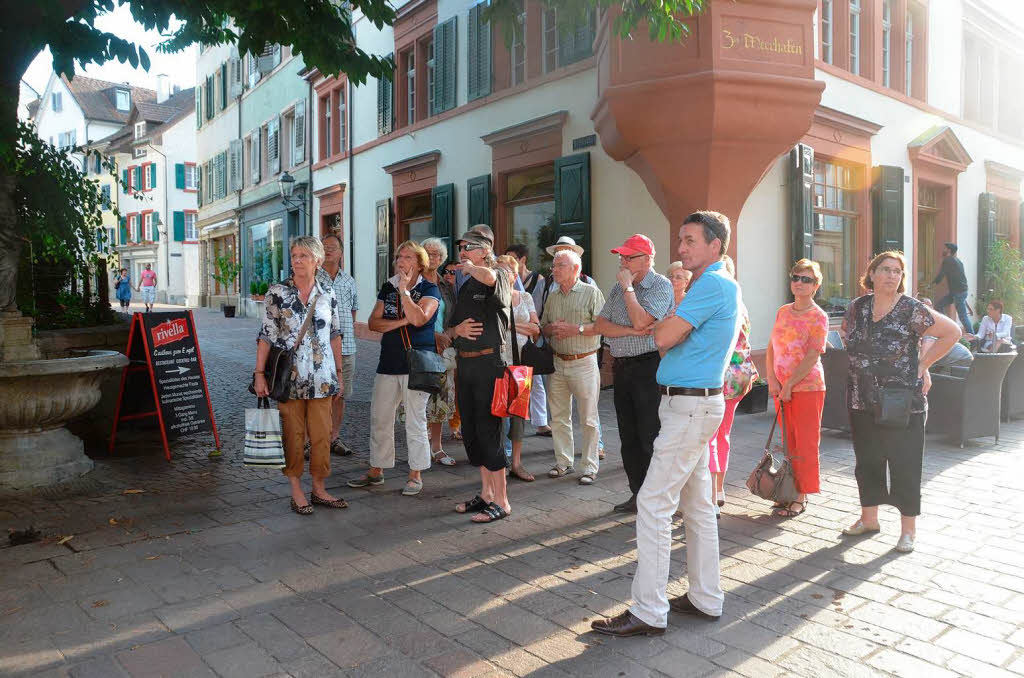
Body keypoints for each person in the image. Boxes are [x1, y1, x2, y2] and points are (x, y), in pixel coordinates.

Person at [592, 211, 738, 637]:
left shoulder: (711, 283)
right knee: (697, 507)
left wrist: (669, 326)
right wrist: (669, 325)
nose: (682, 248)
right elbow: (666, 329)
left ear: (715, 245)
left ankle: (648, 610)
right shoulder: (715, 283)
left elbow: (660, 337)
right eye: (681, 240)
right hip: (695, 405)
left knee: (653, 505)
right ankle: (705, 597)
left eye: (690, 240)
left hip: (689, 409)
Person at [841, 251, 960, 554]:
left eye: (897, 271)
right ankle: (869, 519)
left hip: (901, 400)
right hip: (861, 398)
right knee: (867, 462)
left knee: (905, 464)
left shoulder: (911, 309)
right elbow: (848, 339)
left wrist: (923, 365)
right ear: (871, 274)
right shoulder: (857, 307)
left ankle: (908, 531)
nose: (892, 276)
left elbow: (951, 332)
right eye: (885, 269)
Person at [254, 236, 345, 515]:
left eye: (304, 255)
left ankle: (319, 488)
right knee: (293, 435)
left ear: (318, 261)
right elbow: (266, 336)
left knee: (321, 436)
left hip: (322, 377)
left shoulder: (328, 293)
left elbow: (335, 335)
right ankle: (296, 490)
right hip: (288, 378)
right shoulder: (277, 293)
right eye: (294, 255)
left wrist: (339, 373)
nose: (297, 260)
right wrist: (259, 373)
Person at [348, 241, 439, 497]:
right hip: (388, 362)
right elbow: (374, 323)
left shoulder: (430, 289)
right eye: (399, 255)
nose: (401, 260)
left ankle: (416, 474)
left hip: (416, 364)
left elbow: (421, 318)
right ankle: (377, 470)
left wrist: (405, 293)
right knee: (380, 418)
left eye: (408, 256)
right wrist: (402, 321)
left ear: (420, 263)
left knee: (415, 421)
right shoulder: (387, 287)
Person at [594, 234, 672, 513]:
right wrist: (629, 330)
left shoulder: (660, 286)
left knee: (650, 434)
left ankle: (656, 498)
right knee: (628, 436)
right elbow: (601, 324)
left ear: (648, 259)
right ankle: (637, 493)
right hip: (622, 367)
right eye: (622, 257)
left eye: (630, 257)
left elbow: (643, 320)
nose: (623, 262)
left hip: (649, 366)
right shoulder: (618, 288)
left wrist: (628, 289)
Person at [443, 228, 513, 523]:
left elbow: (492, 279)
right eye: (460, 248)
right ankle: (485, 494)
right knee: (472, 432)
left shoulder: (498, 274)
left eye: (467, 248)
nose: (461, 254)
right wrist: (455, 332)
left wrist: (474, 268)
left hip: (489, 365)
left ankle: (503, 501)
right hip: (466, 365)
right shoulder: (465, 281)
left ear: (484, 250)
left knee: (490, 431)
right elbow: (449, 329)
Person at [765, 258, 828, 518]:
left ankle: (801, 496)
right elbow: (771, 347)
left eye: (807, 279)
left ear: (816, 286)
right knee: (788, 442)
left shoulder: (819, 316)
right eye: (796, 277)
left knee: (805, 443)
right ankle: (788, 489)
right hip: (781, 387)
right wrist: (772, 379)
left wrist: (789, 384)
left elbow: (813, 355)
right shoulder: (783, 311)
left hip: (808, 387)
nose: (799, 283)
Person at [541, 249, 606, 485]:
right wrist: (551, 329)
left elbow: (603, 326)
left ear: (575, 269)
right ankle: (563, 462)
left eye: (560, 266)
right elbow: (543, 325)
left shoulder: (591, 293)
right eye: (554, 266)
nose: (555, 270)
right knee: (558, 417)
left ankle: (589, 467)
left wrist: (576, 329)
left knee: (589, 418)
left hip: (584, 362)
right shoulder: (553, 295)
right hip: (558, 362)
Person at [709, 255, 758, 517]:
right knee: (722, 434)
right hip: (740, 375)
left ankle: (711, 493)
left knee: (711, 436)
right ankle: (718, 490)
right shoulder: (741, 303)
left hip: (721, 376)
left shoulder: (723, 303)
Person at [497, 254, 541, 481]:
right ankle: (501, 462)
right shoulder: (492, 298)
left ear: (515, 275)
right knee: (499, 414)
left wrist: (512, 326)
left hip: (521, 363)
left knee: (518, 415)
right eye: (499, 271)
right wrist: (523, 327)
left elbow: (536, 329)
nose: (504, 275)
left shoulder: (525, 297)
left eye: (507, 271)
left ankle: (516, 463)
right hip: (497, 363)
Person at [317, 234, 358, 456]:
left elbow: (353, 312)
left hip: (347, 348)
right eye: (325, 247)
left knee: (340, 396)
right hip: (319, 350)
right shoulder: (314, 278)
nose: (329, 250)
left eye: (333, 247)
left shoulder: (349, 281)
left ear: (342, 253)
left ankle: (334, 438)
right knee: (315, 395)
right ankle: (311, 440)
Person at [505, 243, 551, 436]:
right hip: (508, 349)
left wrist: (512, 326)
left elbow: (536, 319)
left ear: (522, 260)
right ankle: (507, 439)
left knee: (536, 382)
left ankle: (540, 422)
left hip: (527, 343)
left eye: (513, 258)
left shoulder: (536, 279)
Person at [422, 237, 458, 467]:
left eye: (437, 255)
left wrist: (447, 336)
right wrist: (432, 336)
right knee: (418, 400)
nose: (433, 258)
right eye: (429, 253)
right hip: (420, 347)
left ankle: (436, 447)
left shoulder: (445, 286)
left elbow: (452, 316)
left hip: (443, 349)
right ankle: (419, 446)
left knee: (440, 399)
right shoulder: (413, 283)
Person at [442, 262, 462, 440]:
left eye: (453, 273)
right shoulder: (441, 292)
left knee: (457, 387)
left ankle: (455, 425)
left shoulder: (463, 293)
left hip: (460, 345)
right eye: (446, 272)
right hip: (444, 343)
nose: (448, 275)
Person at [932, 242, 971, 331]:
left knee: (963, 317)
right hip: (957, 292)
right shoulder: (957, 260)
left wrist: (932, 284)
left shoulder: (948, 260)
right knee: (939, 305)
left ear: (949, 250)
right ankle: (948, 325)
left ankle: (973, 339)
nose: (943, 250)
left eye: (945, 248)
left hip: (958, 292)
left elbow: (941, 274)